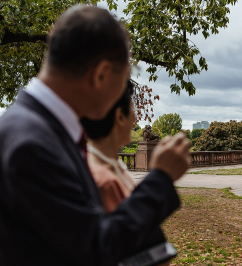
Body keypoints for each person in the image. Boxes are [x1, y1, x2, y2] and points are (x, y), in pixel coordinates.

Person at [0, 5, 190, 266]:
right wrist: (161, 178)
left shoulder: (33, 127)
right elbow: (95, 248)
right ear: (101, 74)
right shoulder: (31, 144)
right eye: (124, 79)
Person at [81, 79, 136, 213]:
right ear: (120, 117)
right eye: (132, 109)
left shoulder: (113, 166)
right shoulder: (104, 181)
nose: (134, 119)